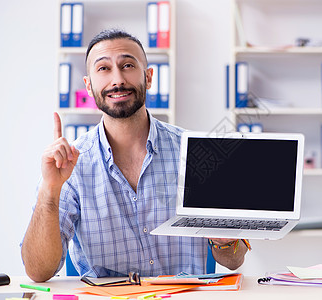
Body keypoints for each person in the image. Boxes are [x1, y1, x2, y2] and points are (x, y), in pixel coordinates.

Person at [21, 29, 249, 282]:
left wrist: (223, 239)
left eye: (127, 65)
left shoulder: (196, 152)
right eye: (103, 69)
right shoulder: (71, 166)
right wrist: (49, 190)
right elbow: (38, 272)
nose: (117, 80)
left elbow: (233, 260)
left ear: (148, 77)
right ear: (88, 85)